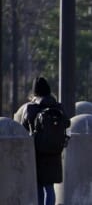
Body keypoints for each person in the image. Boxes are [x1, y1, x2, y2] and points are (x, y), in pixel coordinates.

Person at [14, 77, 71, 205]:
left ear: (35, 92)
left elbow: (23, 127)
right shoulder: (58, 106)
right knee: (49, 187)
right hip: (55, 151)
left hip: (38, 152)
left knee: (39, 186)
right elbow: (67, 123)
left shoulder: (31, 108)